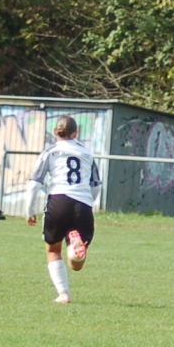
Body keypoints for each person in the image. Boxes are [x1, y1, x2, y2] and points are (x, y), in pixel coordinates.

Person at [26, 115, 99, 304]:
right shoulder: (87, 154)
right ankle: (75, 248)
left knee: (53, 250)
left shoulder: (51, 152)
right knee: (76, 265)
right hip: (83, 205)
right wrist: (88, 202)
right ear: (75, 133)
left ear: (55, 132)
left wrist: (30, 211)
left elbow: (34, 184)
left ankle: (63, 294)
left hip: (58, 201)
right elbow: (96, 186)